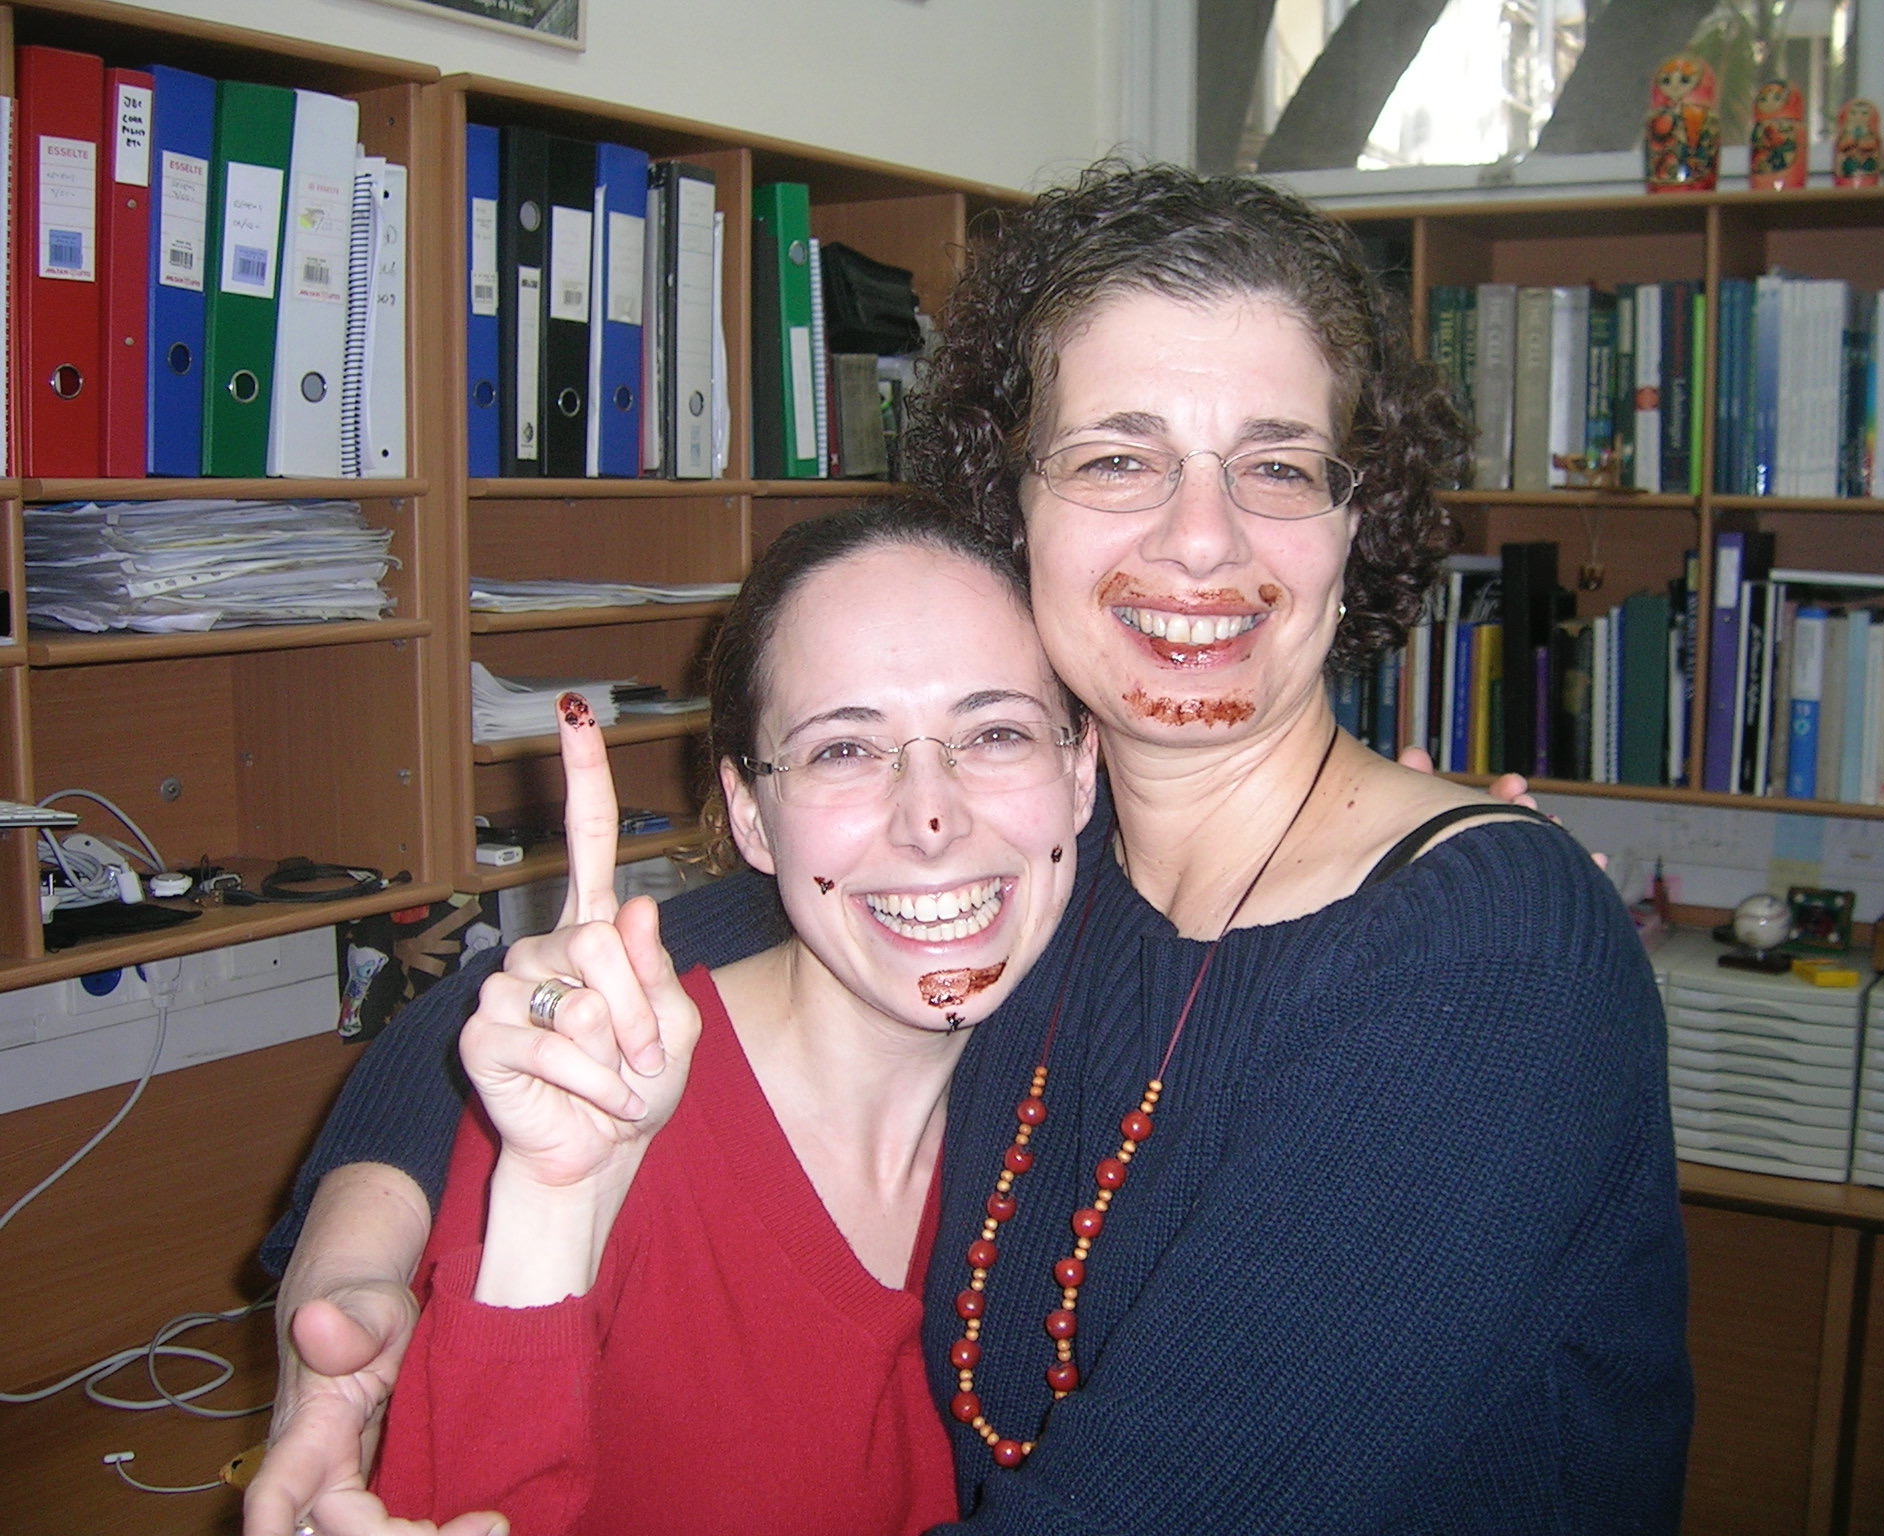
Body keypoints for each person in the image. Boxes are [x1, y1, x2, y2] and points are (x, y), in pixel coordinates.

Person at [248, 160, 1689, 1536]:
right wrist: (354, 1280)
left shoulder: (1483, 953)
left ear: (1354, 518)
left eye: (1278, 465)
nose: (1202, 539)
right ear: (1015, 515)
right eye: (1118, 457)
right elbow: (524, 1012)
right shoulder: (1052, 871)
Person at [369, 504, 1096, 1534]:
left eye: (996, 733)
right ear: (751, 815)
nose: (930, 819)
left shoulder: (1101, 1119)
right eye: (844, 750)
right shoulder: (594, 1097)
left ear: (1080, 773)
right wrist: (552, 1210)